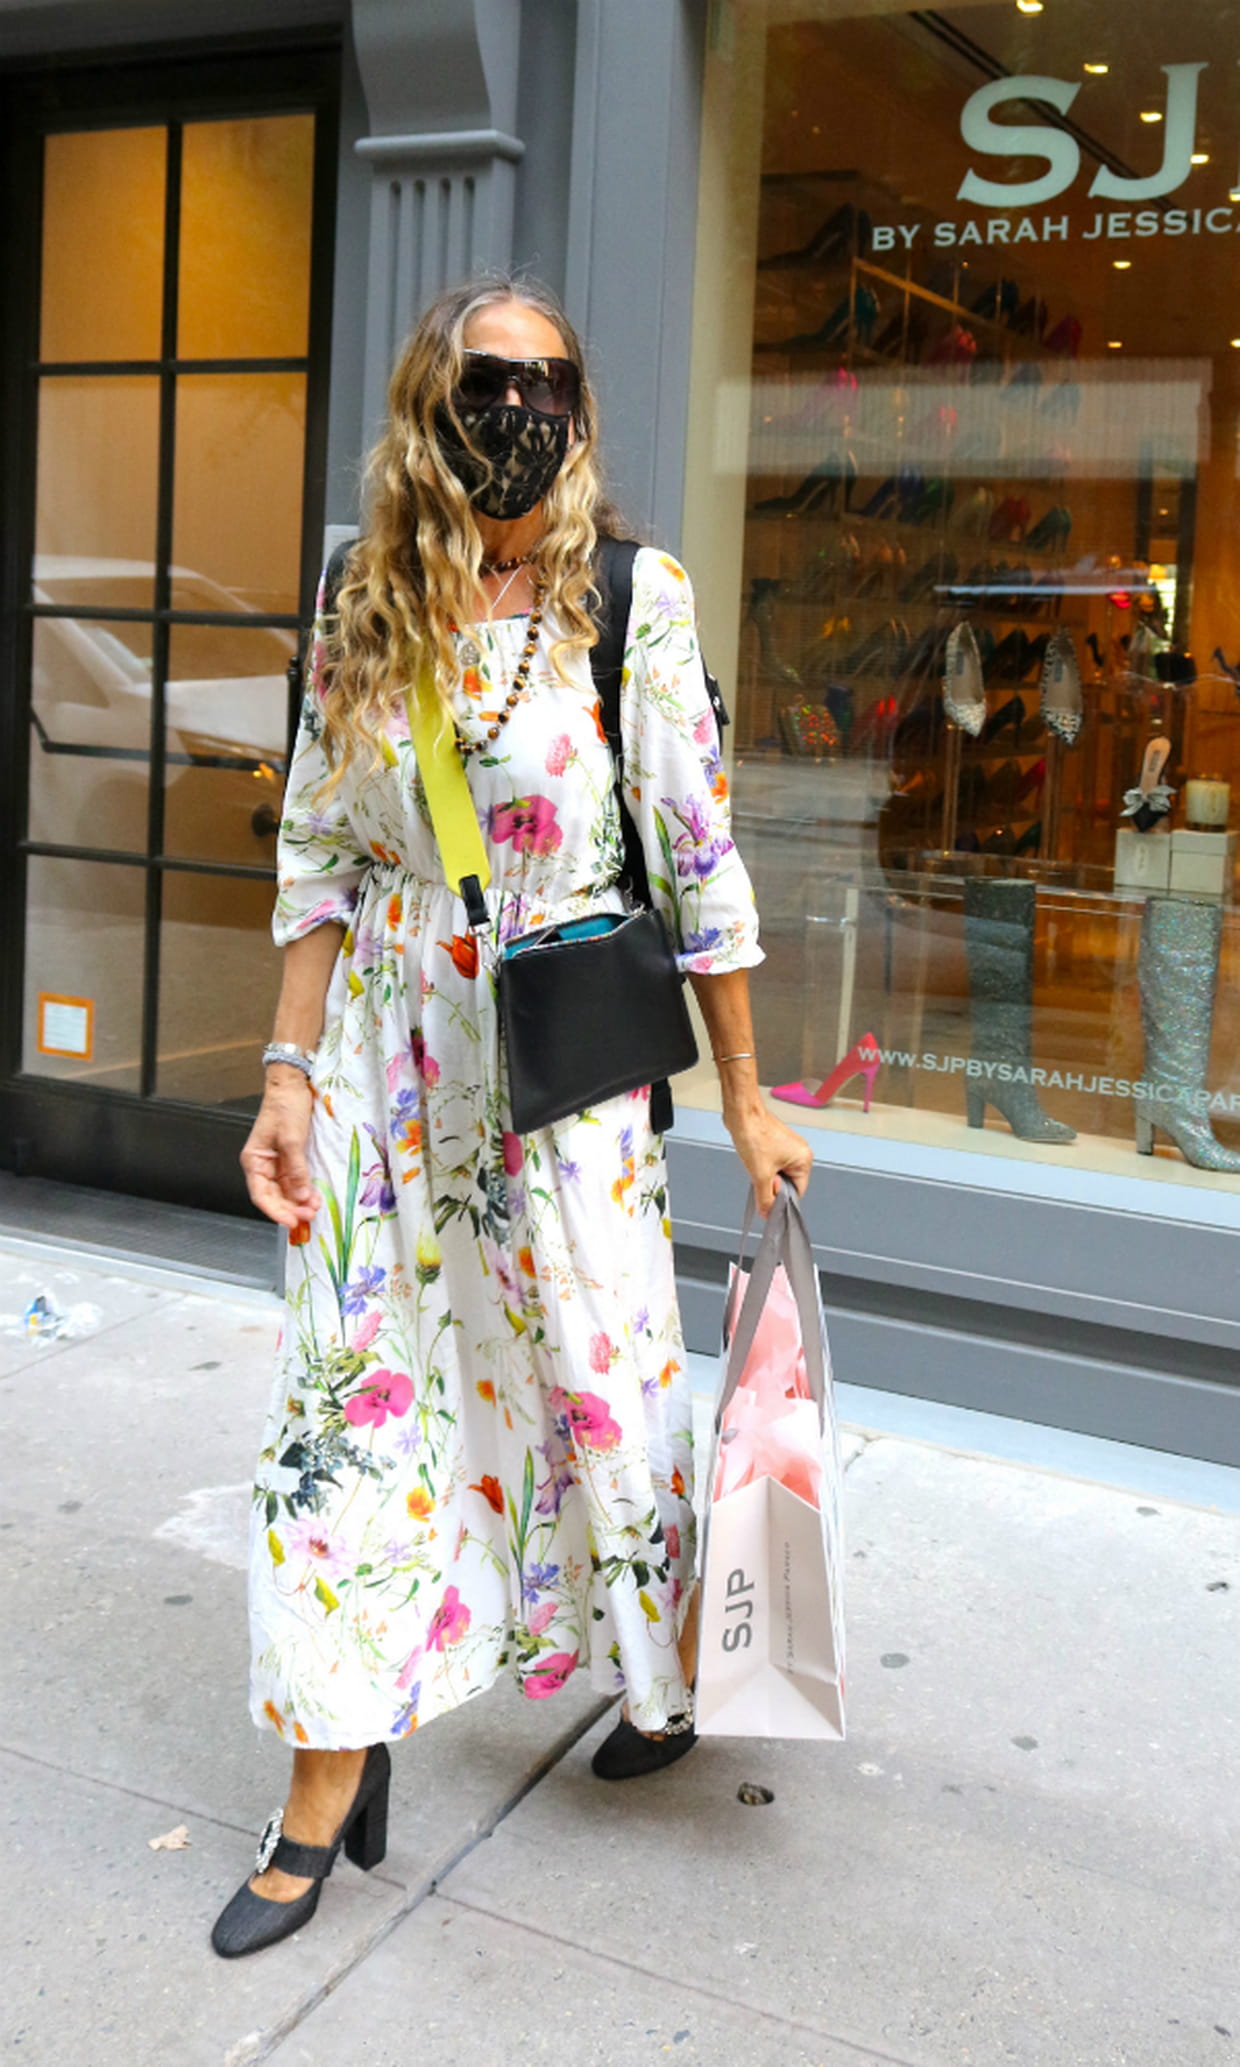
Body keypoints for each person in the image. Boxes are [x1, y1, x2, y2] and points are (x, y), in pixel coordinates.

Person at [211, 277, 811, 1958]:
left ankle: (664, 1674)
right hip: (386, 1064)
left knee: (603, 1389)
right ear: (434, 400)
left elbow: (697, 858)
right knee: (348, 1410)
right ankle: (333, 1766)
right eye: (493, 382)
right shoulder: (363, 593)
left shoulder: (631, 598)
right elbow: (321, 852)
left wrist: (747, 1095)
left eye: (552, 384)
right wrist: (285, 1074)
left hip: (563, 1064)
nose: (525, 412)